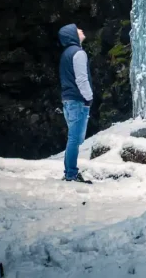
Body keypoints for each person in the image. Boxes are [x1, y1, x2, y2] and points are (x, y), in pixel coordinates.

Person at [58, 23, 93, 183]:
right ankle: (71, 174)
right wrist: (89, 97)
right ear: (72, 35)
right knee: (74, 139)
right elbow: (81, 78)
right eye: (77, 29)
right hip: (77, 101)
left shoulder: (65, 54)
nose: (81, 30)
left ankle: (69, 172)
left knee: (74, 138)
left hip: (68, 100)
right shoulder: (78, 53)